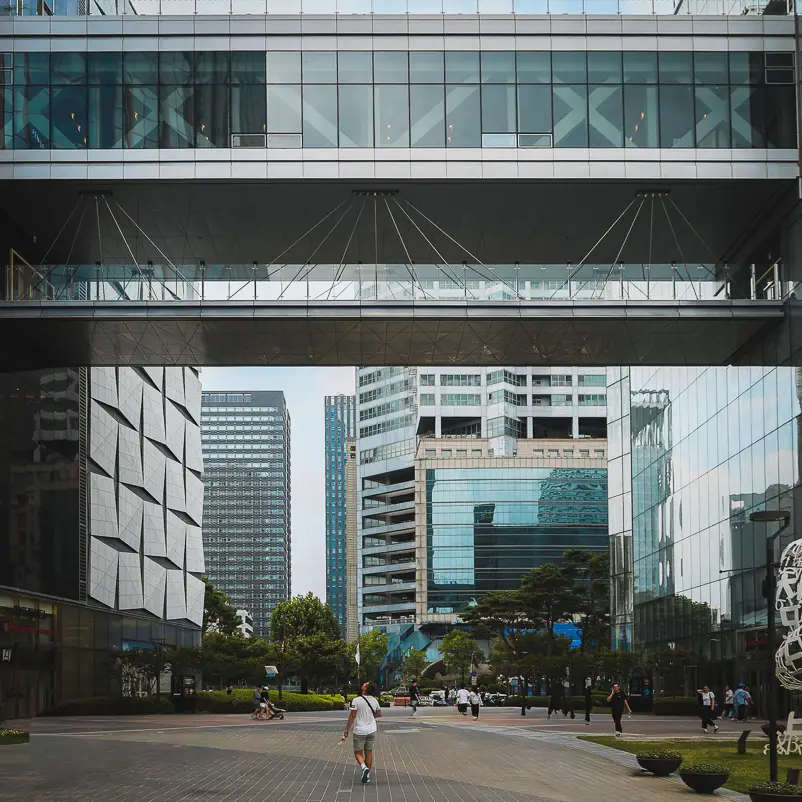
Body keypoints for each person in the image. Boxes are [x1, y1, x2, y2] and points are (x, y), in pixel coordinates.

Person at [343, 681, 381, 785]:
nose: (363, 684)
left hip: (360, 730)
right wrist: (369, 717)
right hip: (372, 729)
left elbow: (352, 715)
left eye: (365, 684)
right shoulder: (374, 701)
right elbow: (378, 714)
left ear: (365, 689)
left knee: (358, 752)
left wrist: (347, 728)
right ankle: (367, 776)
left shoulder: (356, 700)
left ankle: (364, 768)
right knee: (369, 752)